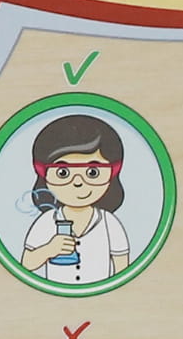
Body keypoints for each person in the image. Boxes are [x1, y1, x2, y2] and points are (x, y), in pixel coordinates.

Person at [19, 114, 131, 284]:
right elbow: (25, 264)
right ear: (44, 175)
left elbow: (123, 270)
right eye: (63, 173)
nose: (78, 182)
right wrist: (49, 250)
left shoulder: (109, 224)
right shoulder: (47, 221)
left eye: (92, 172)